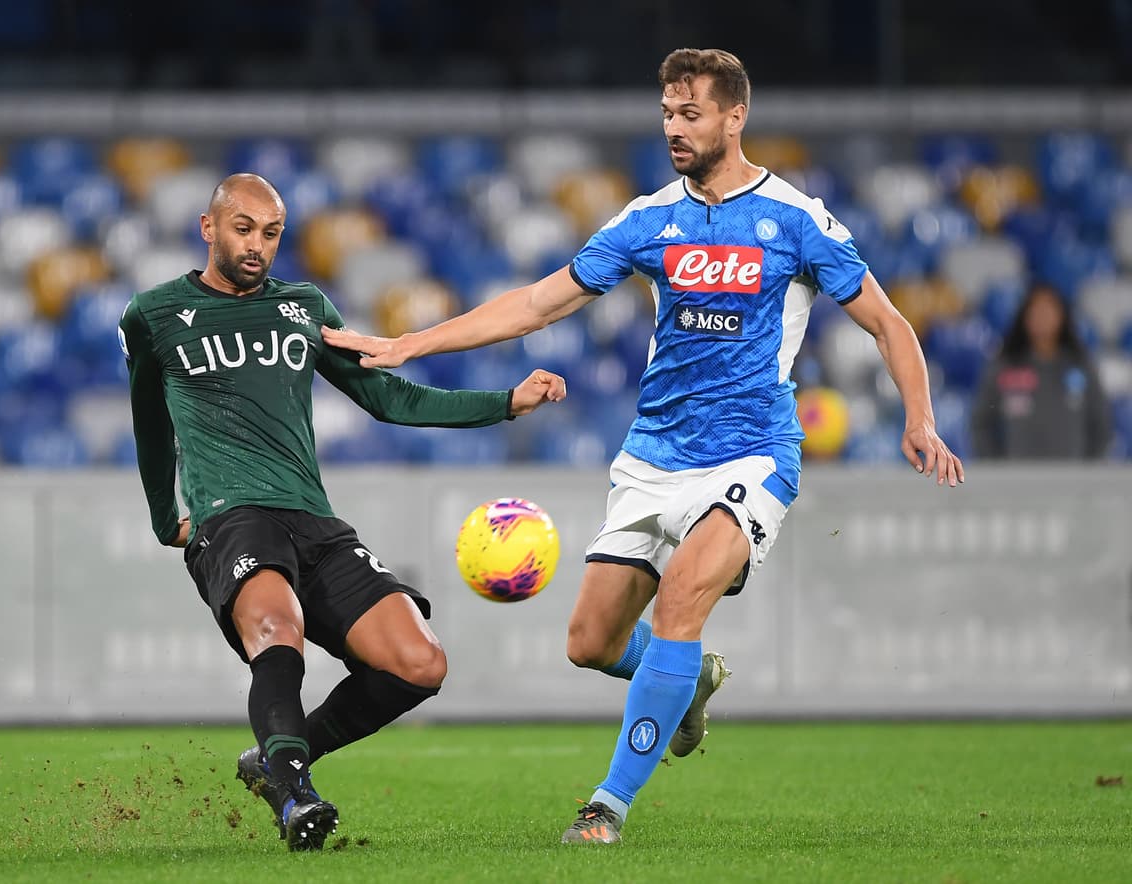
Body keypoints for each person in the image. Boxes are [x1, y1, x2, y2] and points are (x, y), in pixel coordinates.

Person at [322, 47, 965, 845]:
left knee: (681, 597)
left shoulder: (797, 219)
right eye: (667, 113)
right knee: (589, 643)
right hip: (654, 457)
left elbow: (889, 323)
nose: (674, 128)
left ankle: (606, 807)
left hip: (752, 454)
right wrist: (408, 344)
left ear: (735, 116)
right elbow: (536, 304)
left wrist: (918, 417)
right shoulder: (647, 220)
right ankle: (692, 678)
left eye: (690, 113)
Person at [119, 173, 566, 851]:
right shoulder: (152, 314)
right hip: (233, 516)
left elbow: (388, 397)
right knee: (279, 630)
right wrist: (164, 517)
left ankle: (277, 761)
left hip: (314, 520)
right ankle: (295, 797)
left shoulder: (303, 307)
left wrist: (504, 403)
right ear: (208, 228)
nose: (257, 245)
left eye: (271, 233)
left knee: (420, 662)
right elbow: (150, 424)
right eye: (243, 229)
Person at [971, 281, 1112, 459]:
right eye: (1036, 311)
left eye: (1048, 310)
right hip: (1017, 472)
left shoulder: (1082, 367)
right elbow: (981, 424)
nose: (1042, 317)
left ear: (1062, 316)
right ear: (1025, 317)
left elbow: (1102, 426)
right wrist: (996, 466)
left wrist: (1088, 468)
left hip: (1072, 472)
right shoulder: (1004, 367)